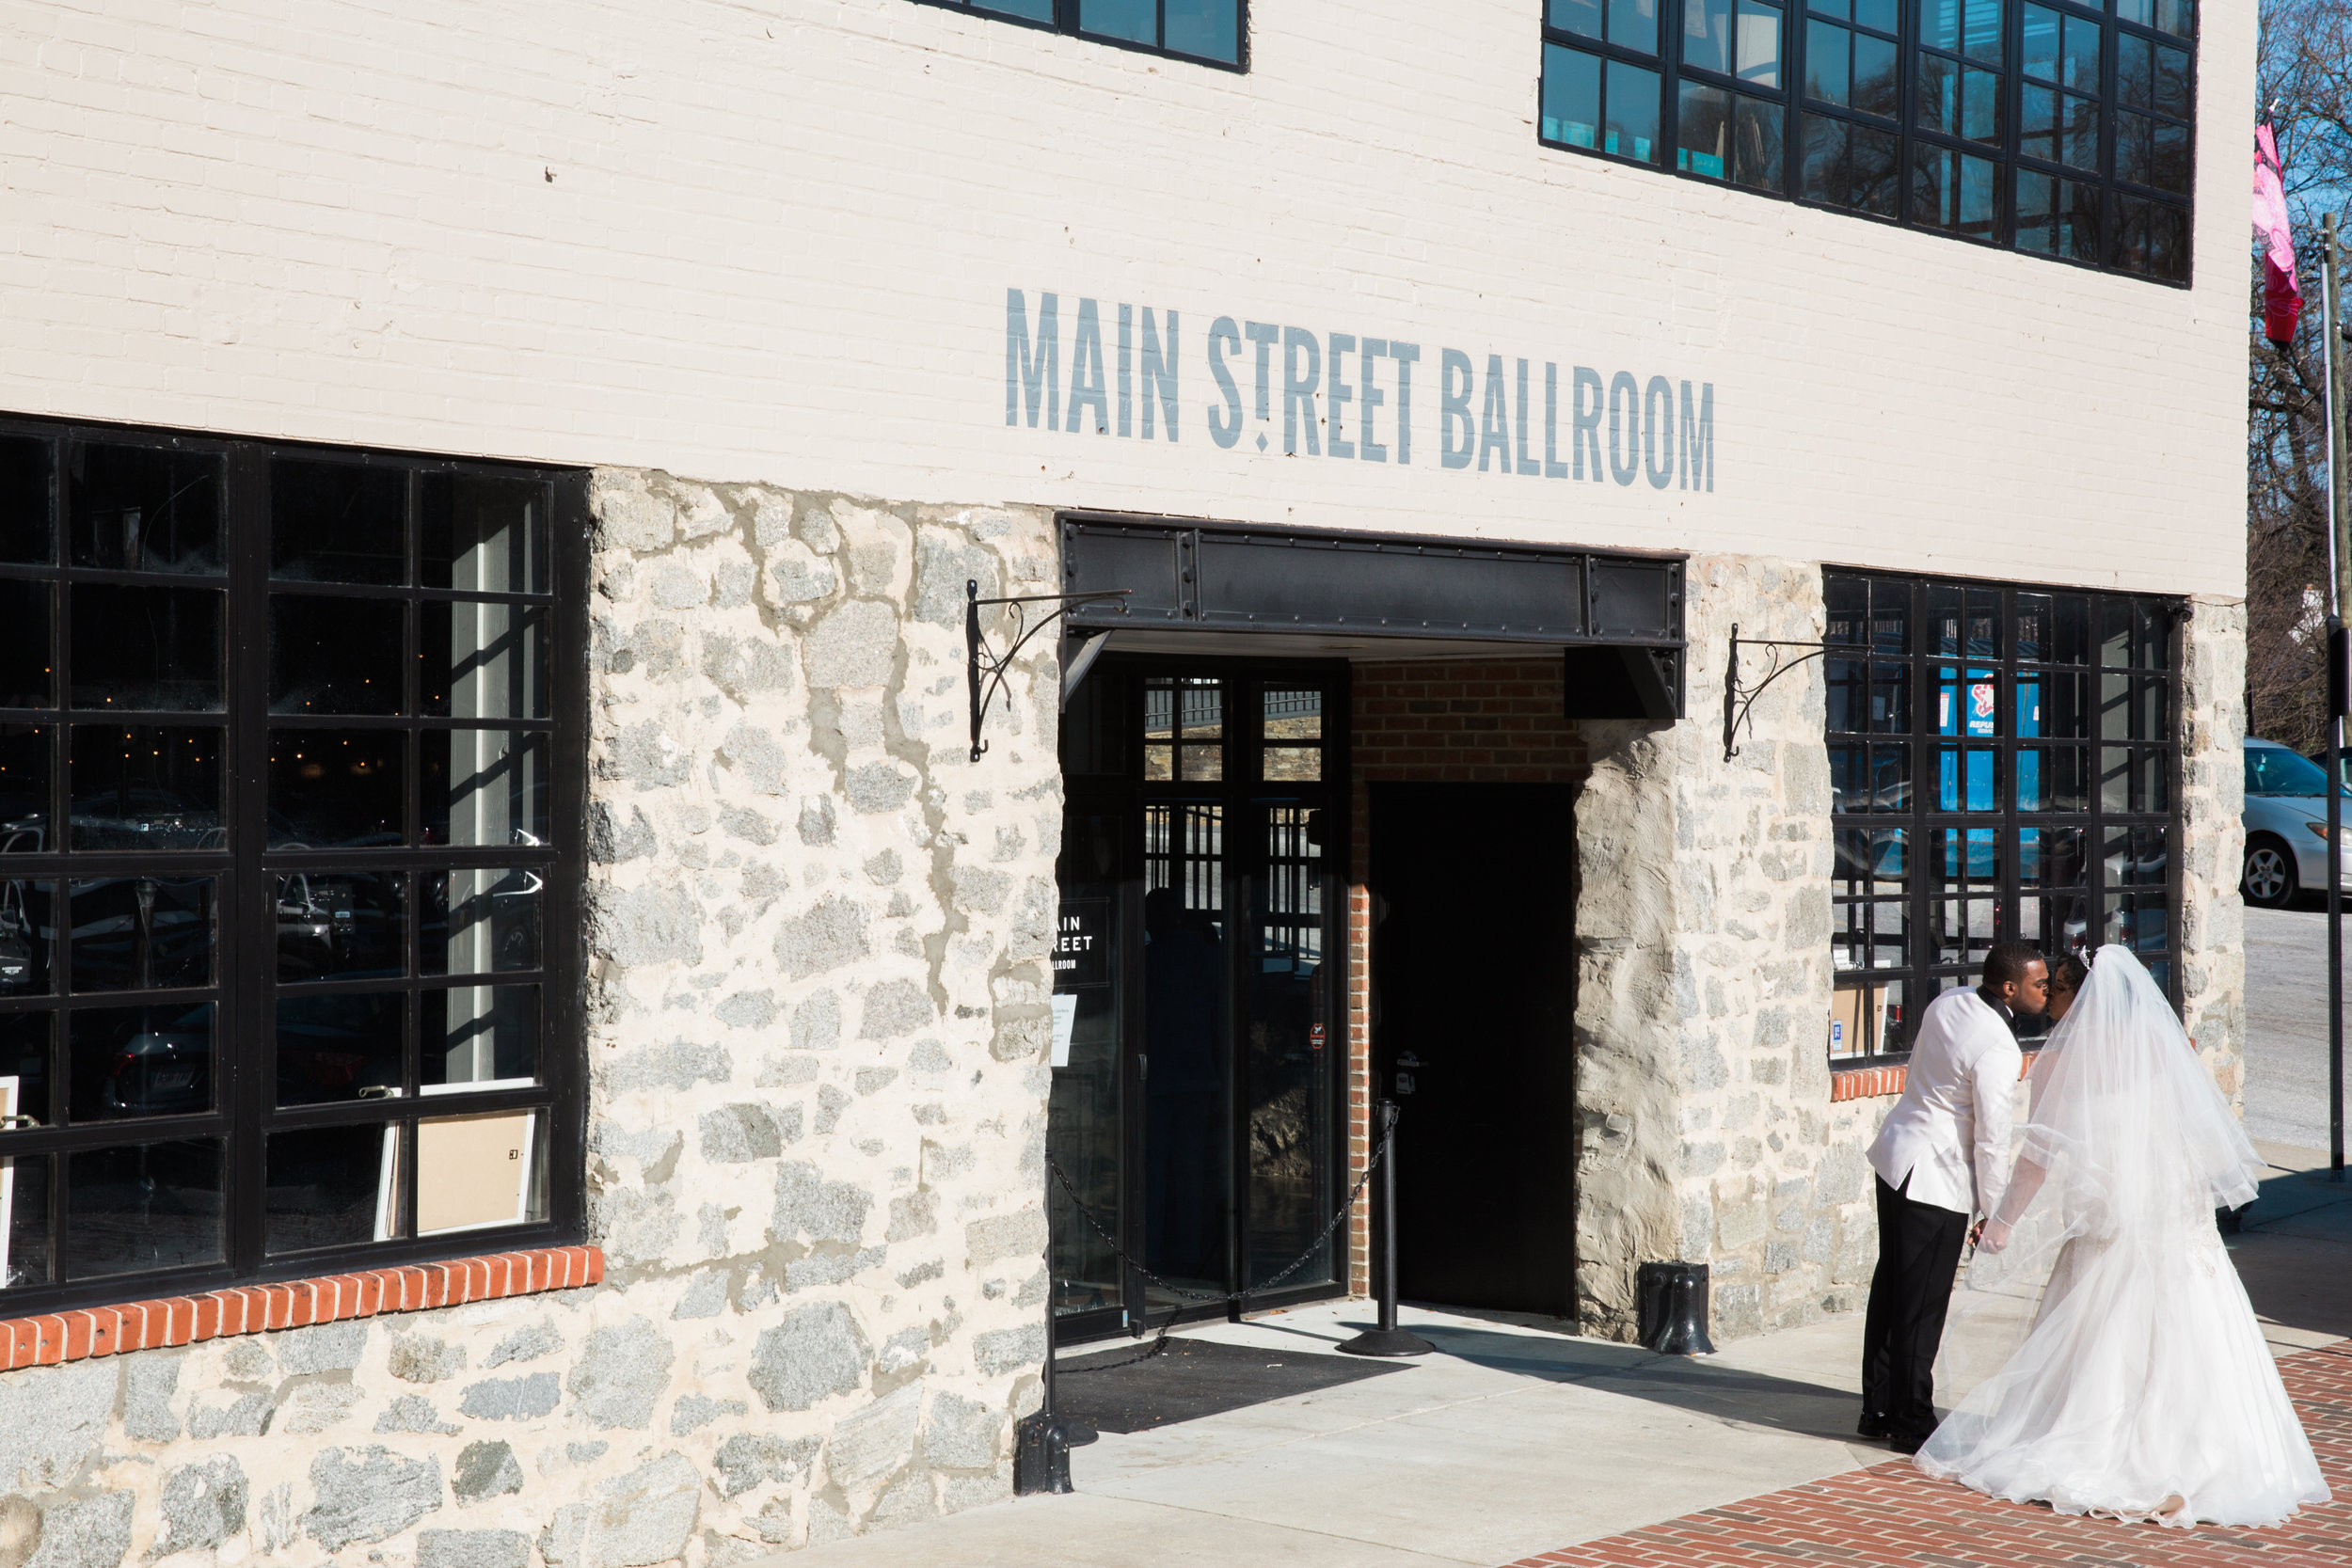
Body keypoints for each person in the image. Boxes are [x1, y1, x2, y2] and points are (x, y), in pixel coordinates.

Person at [1916, 945, 2328, 1528]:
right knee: (2193, 1326)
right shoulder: (2158, 1054)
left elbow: (2037, 1157)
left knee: (2111, 1325)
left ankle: (2109, 1442)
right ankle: (2206, 1449)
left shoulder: (2062, 1062)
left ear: (2077, 996)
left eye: (2056, 990)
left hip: (2112, 1220)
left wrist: (2001, 1222)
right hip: (2169, 1213)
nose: (2049, 1001)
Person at [1859, 941, 2047, 1453]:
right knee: (1922, 1303)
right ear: (2010, 987)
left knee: (1892, 1287)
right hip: (1934, 1178)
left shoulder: (1948, 1001)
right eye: (2039, 984)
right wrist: (1993, 1209)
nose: (2046, 991)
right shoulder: (1999, 1047)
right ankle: (1911, 1416)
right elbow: (1990, 1137)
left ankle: (1876, 1407)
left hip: (1897, 1154)